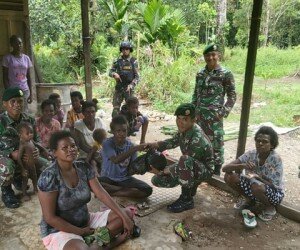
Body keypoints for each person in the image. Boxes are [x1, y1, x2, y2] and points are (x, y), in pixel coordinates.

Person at [38, 130, 136, 250]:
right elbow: (50, 218)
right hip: (60, 230)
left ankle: (92, 242)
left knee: (126, 214)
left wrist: (125, 218)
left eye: (73, 146)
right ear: (54, 153)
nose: (71, 149)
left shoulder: (83, 167)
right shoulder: (49, 177)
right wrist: (81, 232)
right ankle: (108, 243)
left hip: (86, 221)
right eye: (65, 147)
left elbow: (101, 193)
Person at [147, 103, 214, 213]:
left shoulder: (197, 138)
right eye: (178, 118)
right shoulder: (185, 130)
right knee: (157, 180)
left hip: (204, 170)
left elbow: (187, 163)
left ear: (193, 120)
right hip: (193, 166)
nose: (180, 122)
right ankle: (191, 188)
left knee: (183, 160)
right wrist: (156, 145)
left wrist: (167, 170)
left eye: (185, 119)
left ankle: (186, 200)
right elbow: (173, 141)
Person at [0, 87, 50, 208]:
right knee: (6, 167)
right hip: (7, 157)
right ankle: (7, 192)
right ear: (5, 104)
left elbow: (37, 139)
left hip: (28, 156)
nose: (17, 104)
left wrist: (38, 149)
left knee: (48, 167)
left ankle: (18, 179)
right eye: (13, 101)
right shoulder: (1, 122)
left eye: (20, 101)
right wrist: (10, 153)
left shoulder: (29, 120)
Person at [223, 126, 284, 221]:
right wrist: (242, 165)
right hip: (254, 186)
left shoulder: (276, 159)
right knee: (229, 176)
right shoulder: (251, 154)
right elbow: (225, 168)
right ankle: (249, 200)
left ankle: (270, 208)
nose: (260, 144)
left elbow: (275, 186)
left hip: (274, 193)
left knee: (256, 186)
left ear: (272, 145)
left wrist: (259, 178)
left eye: (265, 142)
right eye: (258, 141)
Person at [192, 44, 236, 176]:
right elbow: (196, 93)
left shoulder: (226, 74)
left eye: (213, 54)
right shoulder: (200, 73)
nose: (210, 58)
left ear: (218, 55)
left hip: (215, 116)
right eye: (207, 55)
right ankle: (201, 165)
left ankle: (216, 169)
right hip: (199, 116)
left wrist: (223, 112)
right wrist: (193, 111)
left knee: (216, 142)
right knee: (200, 140)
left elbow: (232, 96)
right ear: (204, 57)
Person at [99, 115, 152, 199]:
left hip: (124, 179)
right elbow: (115, 160)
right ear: (112, 131)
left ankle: (115, 192)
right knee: (94, 184)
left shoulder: (131, 145)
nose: (121, 134)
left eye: (124, 131)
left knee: (147, 190)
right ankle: (123, 190)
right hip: (108, 179)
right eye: (118, 131)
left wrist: (141, 168)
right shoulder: (107, 143)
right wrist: (135, 149)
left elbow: (132, 168)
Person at [2, 35, 33, 112]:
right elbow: (5, 77)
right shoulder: (7, 58)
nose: (19, 45)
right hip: (13, 90)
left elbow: (29, 76)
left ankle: (23, 124)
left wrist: (31, 94)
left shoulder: (26, 58)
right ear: (11, 45)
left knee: (24, 111)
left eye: (20, 43)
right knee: (14, 111)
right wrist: (8, 92)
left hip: (25, 90)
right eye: (16, 43)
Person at [109, 41, 139, 117]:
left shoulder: (133, 61)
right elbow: (110, 71)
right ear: (121, 50)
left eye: (127, 49)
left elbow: (137, 77)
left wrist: (131, 85)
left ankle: (131, 126)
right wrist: (114, 74)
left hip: (129, 89)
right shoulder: (117, 61)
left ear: (130, 50)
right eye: (123, 49)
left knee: (131, 110)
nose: (125, 50)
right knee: (115, 110)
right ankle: (115, 127)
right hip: (119, 87)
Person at [74, 100, 106, 169]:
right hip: (86, 153)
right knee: (92, 164)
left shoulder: (99, 121)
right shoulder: (78, 124)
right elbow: (82, 145)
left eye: (93, 112)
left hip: (100, 152)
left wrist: (100, 153)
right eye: (87, 112)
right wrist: (95, 153)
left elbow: (104, 139)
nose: (91, 114)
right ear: (83, 113)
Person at [17, 122, 41, 201]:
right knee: (25, 180)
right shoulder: (23, 144)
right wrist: (22, 169)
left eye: (31, 132)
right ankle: (24, 194)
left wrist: (45, 151)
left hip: (32, 165)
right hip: (26, 166)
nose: (30, 135)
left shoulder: (31, 141)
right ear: (20, 135)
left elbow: (38, 145)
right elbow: (19, 158)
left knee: (34, 177)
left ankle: (35, 189)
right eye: (27, 133)